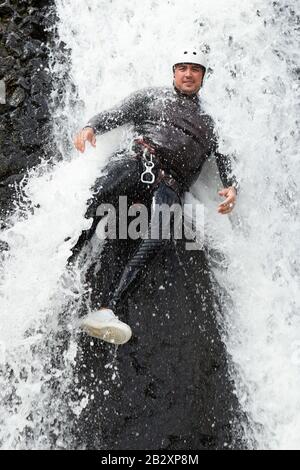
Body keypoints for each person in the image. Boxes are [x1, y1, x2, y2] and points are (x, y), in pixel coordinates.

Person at [71, 47, 238, 345]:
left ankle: (109, 310)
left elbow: (225, 158)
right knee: (97, 197)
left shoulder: (211, 122)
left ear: (203, 76)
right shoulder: (152, 97)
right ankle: (66, 259)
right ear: (174, 72)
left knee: (158, 237)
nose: (188, 74)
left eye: (195, 69)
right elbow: (117, 113)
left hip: (170, 187)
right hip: (137, 161)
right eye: (183, 68)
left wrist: (232, 186)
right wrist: (90, 126)